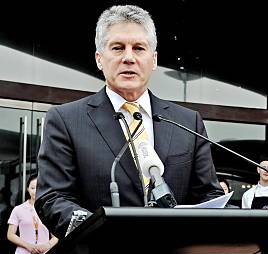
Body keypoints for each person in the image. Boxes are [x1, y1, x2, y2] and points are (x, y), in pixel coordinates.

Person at [35, 5, 224, 237]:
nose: (128, 58)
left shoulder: (187, 122)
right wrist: (98, 230)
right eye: (117, 48)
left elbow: (209, 196)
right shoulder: (66, 120)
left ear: (153, 60)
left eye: (138, 48)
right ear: (99, 59)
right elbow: (53, 198)